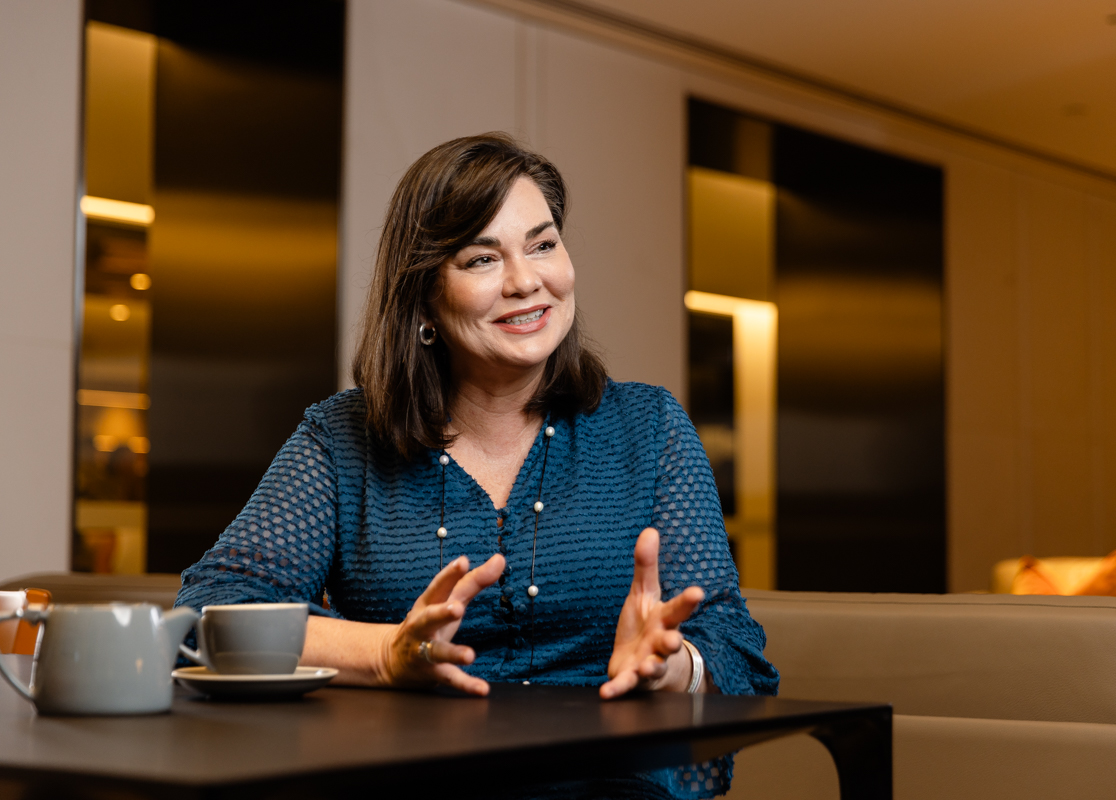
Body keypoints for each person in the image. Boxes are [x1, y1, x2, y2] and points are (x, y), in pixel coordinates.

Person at [176, 133, 778, 798]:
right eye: (481, 258)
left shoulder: (648, 426)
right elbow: (213, 613)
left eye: (543, 244)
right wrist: (384, 654)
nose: (527, 281)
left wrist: (672, 666)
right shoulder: (343, 438)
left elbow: (731, 645)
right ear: (426, 298)